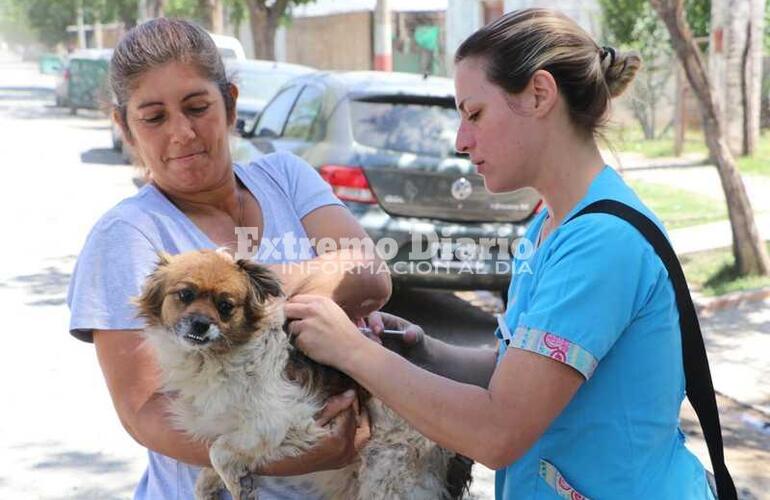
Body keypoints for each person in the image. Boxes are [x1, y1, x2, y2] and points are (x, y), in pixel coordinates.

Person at [285, 8, 717, 499]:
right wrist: (423, 350)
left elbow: (498, 432)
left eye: (474, 114)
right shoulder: (549, 227)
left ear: (539, 95)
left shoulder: (601, 243)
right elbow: (519, 372)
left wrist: (352, 350)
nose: (460, 140)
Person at [66, 18, 390, 499]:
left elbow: (370, 274)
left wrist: (253, 288)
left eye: (197, 107)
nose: (182, 133)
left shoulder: (285, 177)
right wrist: (299, 453)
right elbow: (144, 410)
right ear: (125, 127)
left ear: (231, 103)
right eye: (153, 118)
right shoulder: (129, 234)